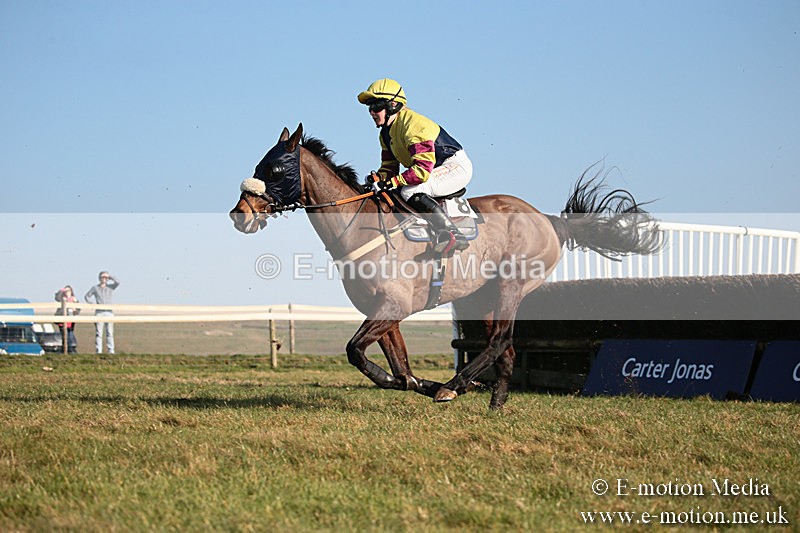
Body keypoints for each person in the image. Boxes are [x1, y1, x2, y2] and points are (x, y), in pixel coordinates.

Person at [357, 78, 473, 253]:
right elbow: (389, 168)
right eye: (369, 108)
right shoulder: (385, 134)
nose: (372, 112)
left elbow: (421, 171)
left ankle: (452, 234)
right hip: (433, 169)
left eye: (376, 107)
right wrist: (378, 179)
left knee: (409, 191)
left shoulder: (413, 125)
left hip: (454, 167)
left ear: (393, 105)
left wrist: (390, 182)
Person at [84, 271, 119, 354]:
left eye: (105, 278)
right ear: (99, 278)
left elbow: (118, 282)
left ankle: (111, 351)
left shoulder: (110, 287)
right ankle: (98, 351)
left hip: (109, 312)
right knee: (99, 333)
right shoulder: (95, 288)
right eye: (102, 277)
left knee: (109, 332)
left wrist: (110, 277)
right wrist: (92, 304)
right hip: (99, 312)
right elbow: (87, 296)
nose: (104, 279)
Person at [54, 285, 79, 353]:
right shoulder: (62, 298)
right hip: (62, 321)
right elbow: (57, 297)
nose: (67, 292)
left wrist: (75, 309)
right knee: (64, 336)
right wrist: (62, 290)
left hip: (70, 322)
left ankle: (70, 350)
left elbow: (78, 310)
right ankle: (65, 350)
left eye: (69, 291)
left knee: (70, 335)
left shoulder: (74, 299)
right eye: (66, 291)